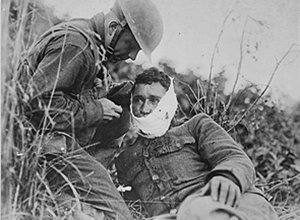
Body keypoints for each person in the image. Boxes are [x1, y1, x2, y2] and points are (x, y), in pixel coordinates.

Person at [16, 0, 163, 219]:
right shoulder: (78, 44)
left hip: (54, 140)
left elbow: (71, 91)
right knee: (118, 214)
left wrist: (120, 93)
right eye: (132, 46)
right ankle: (53, 196)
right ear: (114, 28)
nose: (132, 56)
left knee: (122, 114)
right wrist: (96, 110)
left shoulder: (92, 42)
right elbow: (37, 104)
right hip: (39, 144)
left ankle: (66, 193)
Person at [115, 67, 279, 220]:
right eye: (138, 100)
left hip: (222, 203)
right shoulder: (125, 160)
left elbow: (234, 157)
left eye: (154, 100)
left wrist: (227, 177)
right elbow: (132, 206)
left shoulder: (195, 126)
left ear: (167, 102)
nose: (144, 108)